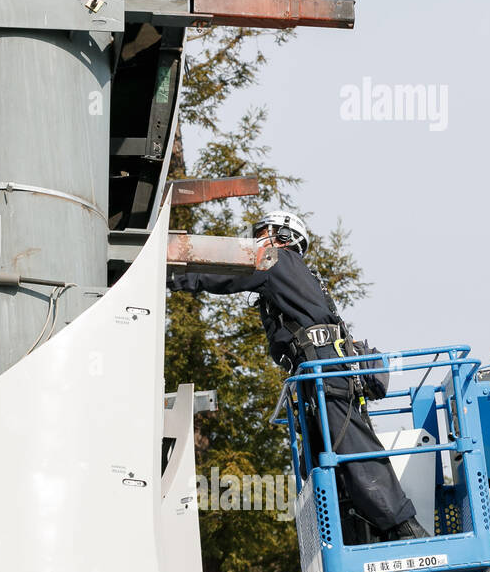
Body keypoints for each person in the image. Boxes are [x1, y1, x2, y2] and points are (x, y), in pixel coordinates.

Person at [167, 210, 430, 543]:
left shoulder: (277, 262)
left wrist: (171, 275)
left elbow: (222, 275)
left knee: (353, 447)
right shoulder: (287, 274)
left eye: (263, 233)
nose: (255, 242)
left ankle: (403, 526)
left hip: (323, 368)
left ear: (284, 236)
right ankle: (359, 534)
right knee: (321, 460)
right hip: (315, 373)